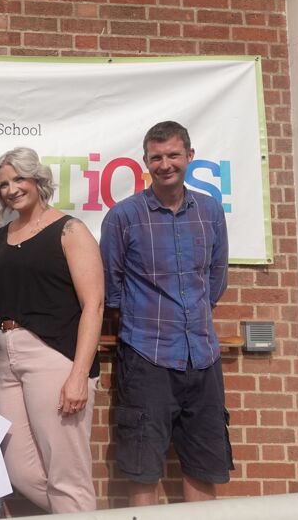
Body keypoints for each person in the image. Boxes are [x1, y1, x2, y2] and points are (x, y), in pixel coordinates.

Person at [100, 120, 232, 506]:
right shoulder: (123, 217)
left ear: (190, 156)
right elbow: (112, 286)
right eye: (156, 157)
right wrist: (146, 318)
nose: (165, 164)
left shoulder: (210, 211)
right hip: (146, 358)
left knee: (204, 468)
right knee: (142, 470)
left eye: (173, 155)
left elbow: (216, 277)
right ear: (146, 162)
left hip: (203, 357)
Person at [0, 147, 104, 514]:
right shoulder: (3, 235)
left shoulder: (70, 229)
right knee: (17, 470)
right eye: (4, 184)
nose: (12, 189)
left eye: (19, 179)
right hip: (5, 359)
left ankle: (76, 508)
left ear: (37, 179)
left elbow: (94, 305)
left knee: (67, 475)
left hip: (54, 356)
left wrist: (78, 376)